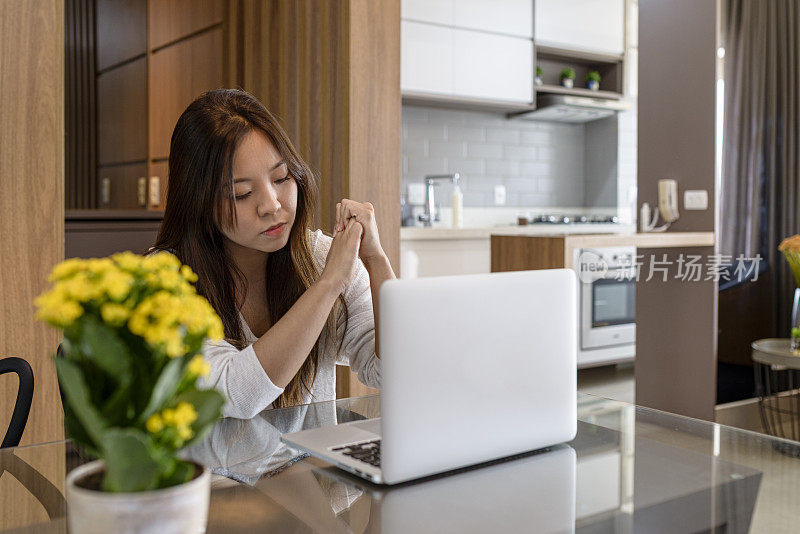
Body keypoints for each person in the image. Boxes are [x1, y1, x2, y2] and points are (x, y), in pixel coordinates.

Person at [153, 89, 395, 418]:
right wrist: (327, 286)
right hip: (218, 472)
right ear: (199, 202)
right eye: (241, 193)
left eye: (281, 178)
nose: (272, 206)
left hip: (314, 469)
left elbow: (391, 372)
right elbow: (236, 395)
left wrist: (377, 260)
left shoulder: (321, 256)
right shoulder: (165, 279)